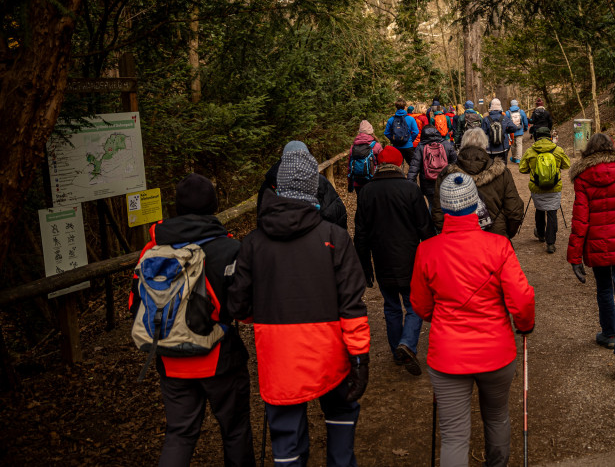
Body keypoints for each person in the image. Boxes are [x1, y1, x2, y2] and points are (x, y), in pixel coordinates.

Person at [229, 141, 371, 467]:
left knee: (287, 447)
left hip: (278, 360)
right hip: (331, 356)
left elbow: (239, 306)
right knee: (340, 420)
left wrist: (267, 314)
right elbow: (352, 307)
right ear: (313, 186)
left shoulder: (252, 244)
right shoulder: (335, 238)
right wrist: (360, 358)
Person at [411, 174, 535, 467]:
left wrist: (439, 316)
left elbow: (420, 305)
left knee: (454, 435)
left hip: (448, 356)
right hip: (496, 352)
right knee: (497, 416)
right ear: (474, 203)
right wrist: (525, 324)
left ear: (442, 207)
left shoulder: (427, 250)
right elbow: (522, 299)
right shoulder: (499, 246)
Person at [131, 173, 255, 467]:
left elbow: (134, 305)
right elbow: (245, 310)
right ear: (214, 204)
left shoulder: (152, 250)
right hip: (219, 360)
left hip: (170, 360)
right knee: (235, 431)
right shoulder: (228, 249)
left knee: (179, 434)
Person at [566, 133, 615, 376]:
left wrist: (574, 256)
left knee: (603, 288)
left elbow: (580, 220)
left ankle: (609, 334)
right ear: (613, 149)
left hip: (597, 244)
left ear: (589, 152)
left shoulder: (583, 178)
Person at [354, 146, 434, 375]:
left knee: (390, 307)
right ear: (400, 164)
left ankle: (397, 351)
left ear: (377, 164)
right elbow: (425, 227)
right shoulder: (410, 189)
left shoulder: (367, 192)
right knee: (413, 305)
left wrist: (365, 265)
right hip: (410, 259)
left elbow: (361, 234)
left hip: (381, 259)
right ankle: (407, 344)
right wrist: (431, 258)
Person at [431, 128, 523, 240]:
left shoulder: (446, 174)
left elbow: (438, 211)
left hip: (458, 239)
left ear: (463, 144)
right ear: (485, 145)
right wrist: (506, 233)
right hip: (495, 237)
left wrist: (447, 234)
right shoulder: (501, 172)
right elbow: (514, 209)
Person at [257, 144, 347, 230]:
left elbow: (262, 218)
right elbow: (334, 212)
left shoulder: (268, 185)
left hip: (279, 238)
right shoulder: (318, 179)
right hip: (314, 236)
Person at [518, 126, 571, 254]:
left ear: (536, 137)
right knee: (552, 213)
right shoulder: (557, 150)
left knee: (540, 210)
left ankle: (541, 234)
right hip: (554, 187)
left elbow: (522, 169)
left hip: (537, 188)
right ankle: (551, 243)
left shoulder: (531, 151)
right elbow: (567, 164)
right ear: (550, 137)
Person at [407, 126, 457, 206]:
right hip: (445, 180)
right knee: (447, 205)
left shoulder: (420, 147)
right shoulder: (446, 144)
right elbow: (455, 161)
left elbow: (414, 167)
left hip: (427, 182)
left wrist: (410, 184)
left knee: (432, 205)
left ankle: (432, 218)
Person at [347, 120, 383, 194]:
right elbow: (382, 164)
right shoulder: (376, 145)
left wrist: (350, 183)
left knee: (360, 203)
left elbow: (349, 167)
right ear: (371, 131)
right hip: (373, 180)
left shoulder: (353, 146)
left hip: (357, 182)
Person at [481, 98, 518, 163]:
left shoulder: (486, 119)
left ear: (491, 107)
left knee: (490, 167)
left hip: (490, 149)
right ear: (500, 107)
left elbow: (482, 133)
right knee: (503, 167)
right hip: (503, 148)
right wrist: (506, 130)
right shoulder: (505, 118)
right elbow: (514, 128)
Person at [384, 99, 420, 165]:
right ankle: (410, 175)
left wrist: (393, 139)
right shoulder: (410, 119)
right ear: (405, 107)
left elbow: (386, 133)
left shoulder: (391, 119)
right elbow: (416, 131)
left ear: (396, 107)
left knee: (397, 165)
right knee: (413, 166)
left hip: (396, 147)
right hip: (408, 146)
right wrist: (410, 140)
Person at [507, 99, 529, 164]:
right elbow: (525, 121)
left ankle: (514, 158)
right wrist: (525, 128)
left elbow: (506, 122)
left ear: (511, 104)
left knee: (513, 145)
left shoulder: (508, 112)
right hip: (519, 130)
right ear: (517, 104)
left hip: (511, 131)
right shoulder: (521, 111)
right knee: (519, 144)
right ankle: (519, 159)